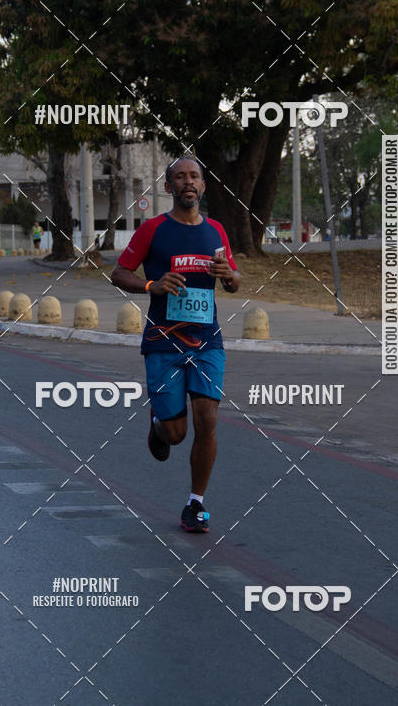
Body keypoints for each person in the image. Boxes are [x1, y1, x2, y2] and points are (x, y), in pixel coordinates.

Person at [111, 157, 240, 532]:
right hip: (163, 340)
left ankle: (195, 503)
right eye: (180, 177)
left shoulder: (216, 230)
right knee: (176, 434)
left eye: (194, 176)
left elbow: (233, 281)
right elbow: (119, 273)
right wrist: (152, 285)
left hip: (207, 340)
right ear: (168, 187)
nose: (188, 182)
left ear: (204, 186)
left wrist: (227, 276)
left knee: (208, 418)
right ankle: (158, 424)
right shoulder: (153, 230)